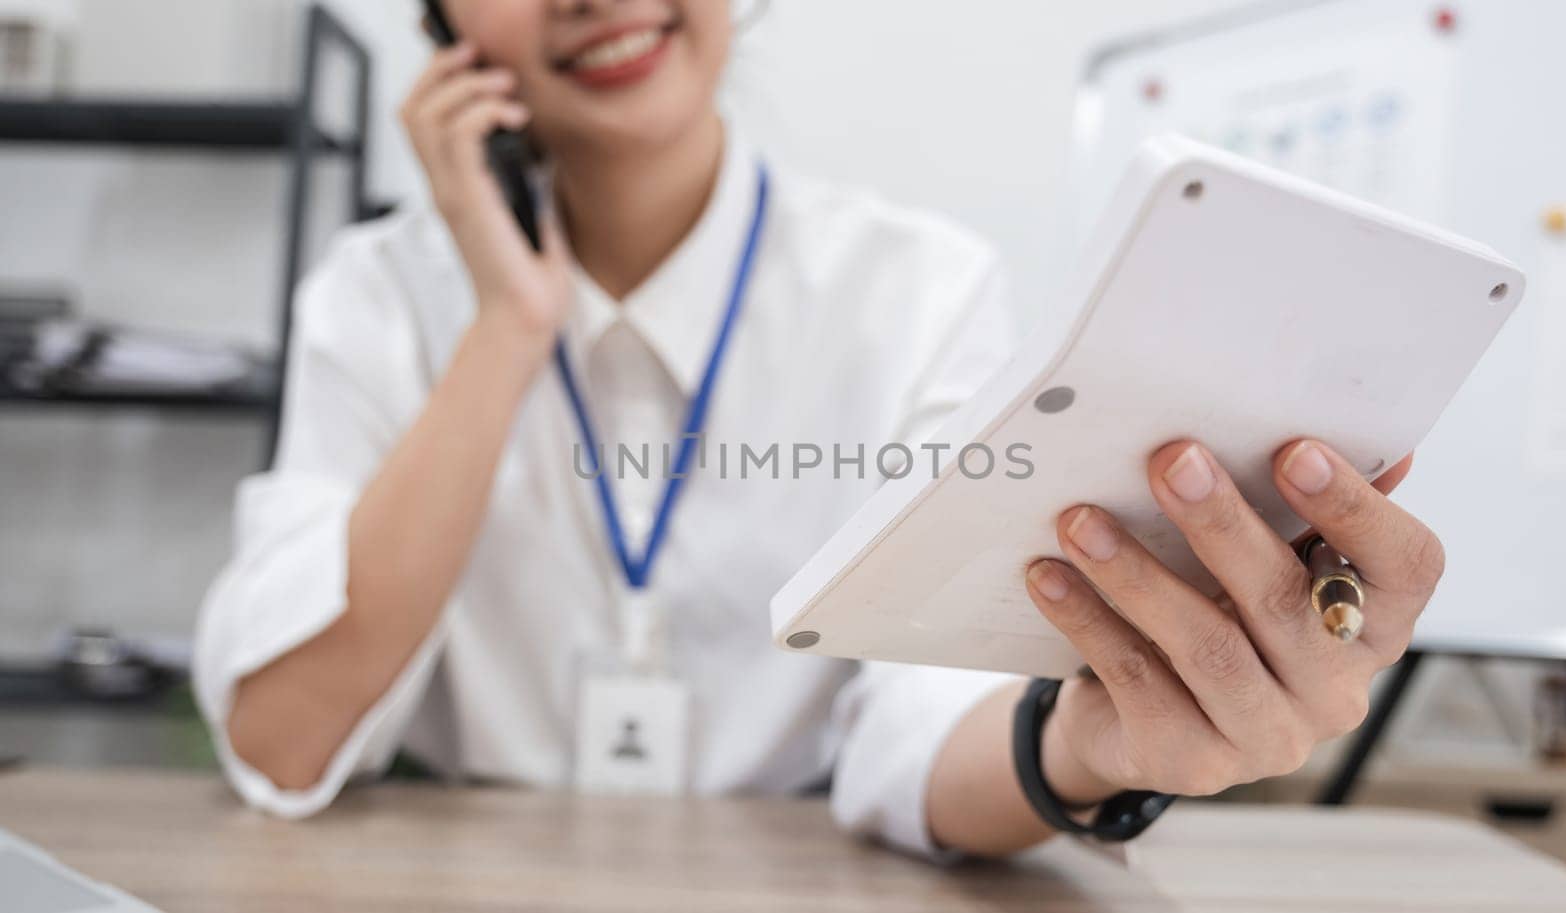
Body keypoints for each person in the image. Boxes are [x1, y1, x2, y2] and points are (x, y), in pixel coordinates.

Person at [195, 0, 1445, 858]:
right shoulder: (377, 297)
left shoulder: (912, 290)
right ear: (442, 29)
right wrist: (510, 327)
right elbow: (284, 743)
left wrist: (1085, 742)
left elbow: (916, 712)